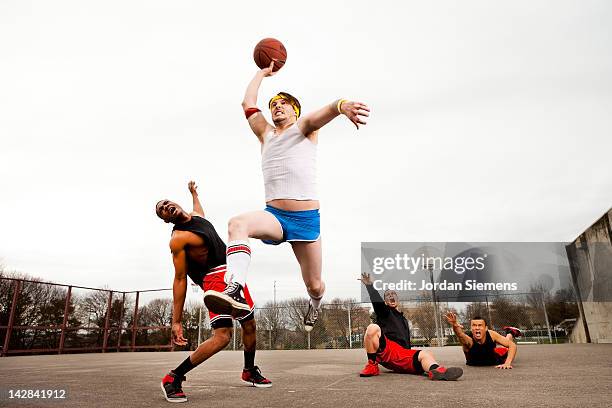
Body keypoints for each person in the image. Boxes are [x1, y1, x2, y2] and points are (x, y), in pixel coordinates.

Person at [203, 61, 370, 331]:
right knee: (237, 223)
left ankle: (314, 306)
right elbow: (247, 102)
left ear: (295, 110)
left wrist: (342, 105)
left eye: (283, 104)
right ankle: (233, 289)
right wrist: (261, 73)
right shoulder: (265, 133)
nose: (276, 107)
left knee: (314, 284)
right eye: (273, 105)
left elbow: (324, 113)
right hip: (275, 217)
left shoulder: (304, 128)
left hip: (305, 220)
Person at [157, 181, 271, 403]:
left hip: (232, 274)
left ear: (176, 204)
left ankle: (249, 370)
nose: (166, 206)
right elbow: (180, 278)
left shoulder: (197, 218)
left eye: (167, 202)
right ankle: (173, 377)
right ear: (165, 219)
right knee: (222, 337)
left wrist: (194, 193)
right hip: (214, 279)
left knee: (250, 324)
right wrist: (176, 321)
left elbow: (198, 210)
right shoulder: (178, 239)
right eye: (162, 208)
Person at [358, 273, 463, 380]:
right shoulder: (385, 312)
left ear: (397, 299)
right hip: (389, 350)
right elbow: (378, 304)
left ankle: (436, 371)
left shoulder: (403, 319)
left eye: (393, 293)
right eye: (388, 295)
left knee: (426, 355)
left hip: (401, 355)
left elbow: (405, 342)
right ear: (385, 301)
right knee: (372, 328)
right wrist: (370, 286)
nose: (391, 295)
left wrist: (410, 357)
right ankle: (372, 365)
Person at [444, 312, 520, 368]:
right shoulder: (468, 340)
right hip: (481, 359)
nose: (477, 328)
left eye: (480, 325)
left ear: (486, 328)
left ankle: (510, 332)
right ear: (471, 328)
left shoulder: (491, 334)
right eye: (474, 325)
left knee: (505, 348)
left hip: (494, 358)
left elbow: (512, 345)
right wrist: (454, 325)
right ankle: (510, 333)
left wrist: (507, 363)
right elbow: (460, 334)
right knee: (503, 348)